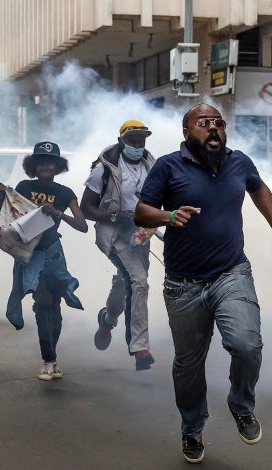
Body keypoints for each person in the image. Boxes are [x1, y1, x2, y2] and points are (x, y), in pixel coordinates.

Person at [134, 104, 272, 464]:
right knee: (189, 364)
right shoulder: (168, 165)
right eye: (204, 123)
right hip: (183, 285)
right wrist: (169, 215)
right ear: (187, 132)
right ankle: (192, 428)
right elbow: (141, 211)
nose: (213, 129)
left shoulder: (239, 162)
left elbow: (259, 189)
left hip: (231, 273)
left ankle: (241, 405)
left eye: (219, 123)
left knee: (246, 345)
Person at [0, 141, 88, 381]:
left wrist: (58, 213)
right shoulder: (23, 187)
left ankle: (52, 357)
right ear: (34, 166)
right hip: (30, 255)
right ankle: (48, 360)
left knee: (55, 310)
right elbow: (7, 216)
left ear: (58, 167)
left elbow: (82, 226)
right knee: (42, 306)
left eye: (51, 162)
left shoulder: (65, 193)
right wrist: (2, 195)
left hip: (53, 254)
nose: (46, 165)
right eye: (41, 161)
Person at [80, 120, 156, 371]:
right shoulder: (104, 169)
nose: (137, 144)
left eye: (141, 140)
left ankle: (108, 318)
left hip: (141, 234)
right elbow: (86, 208)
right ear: (122, 140)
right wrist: (115, 216)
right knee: (139, 281)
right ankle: (140, 347)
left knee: (127, 280)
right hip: (113, 234)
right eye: (133, 140)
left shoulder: (152, 166)